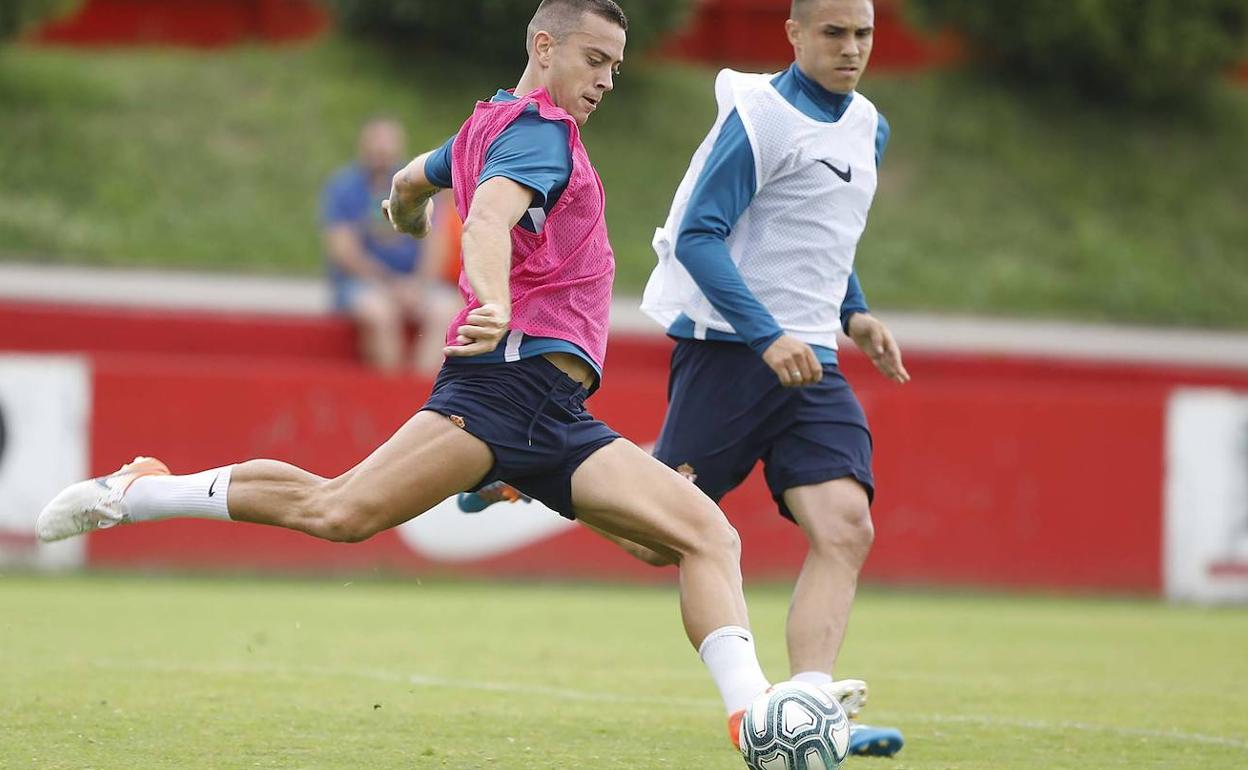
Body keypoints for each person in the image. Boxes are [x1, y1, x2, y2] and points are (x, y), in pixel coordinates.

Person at [35, 0, 773, 753]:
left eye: (616, 65)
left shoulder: (488, 125)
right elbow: (486, 220)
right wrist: (490, 300)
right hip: (501, 389)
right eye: (595, 59)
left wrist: (407, 208)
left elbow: (416, 181)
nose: (608, 79)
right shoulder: (543, 137)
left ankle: (757, 720)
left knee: (693, 538)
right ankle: (144, 491)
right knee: (339, 511)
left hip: (550, 410)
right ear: (545, 48)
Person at [462, 0, 908, 757]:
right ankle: (534, 471)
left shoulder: (870, 124)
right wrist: (765, 336)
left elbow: (821, 232)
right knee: (661, 544)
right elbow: (698, 236)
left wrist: (855, 313)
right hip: (732, 352)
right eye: (834, 32)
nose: (851, 48)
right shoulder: (759, 117)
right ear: (795, 34)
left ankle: (807, 713)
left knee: (846, 526)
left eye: (863, 33)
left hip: (812, 360)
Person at [322, 118, 458, 374]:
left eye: (386, 150)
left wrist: (419, 284)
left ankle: (419, 394)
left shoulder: (415, 183)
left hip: (414, 282)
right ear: (363, 148)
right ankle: (388, 389)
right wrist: (391, 285)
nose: (381, 157)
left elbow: (435, 245)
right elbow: (344, 251)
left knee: (446, 310)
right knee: (380, 313)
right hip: (361, 283)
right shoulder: (345, 187)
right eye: (376, 150)